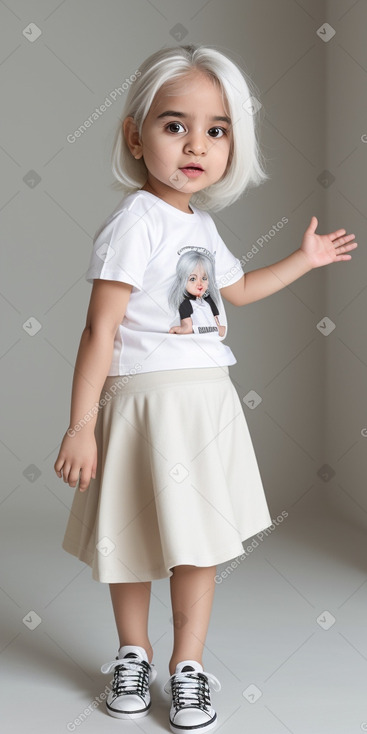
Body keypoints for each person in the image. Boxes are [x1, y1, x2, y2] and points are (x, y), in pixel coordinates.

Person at [54, 44, 357, 733]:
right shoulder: (134, 224)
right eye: (174, 125)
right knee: (130, 537)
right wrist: (80, 425)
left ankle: (186, 666)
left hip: (204, 402)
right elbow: (99, 331)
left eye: (215, 129)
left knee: (196, 542)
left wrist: (303, 260)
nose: (196, 143)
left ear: (231, 144)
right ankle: (133, 651)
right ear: (134, 134)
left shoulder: (201, 225)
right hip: (139, 402)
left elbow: (239, 291)